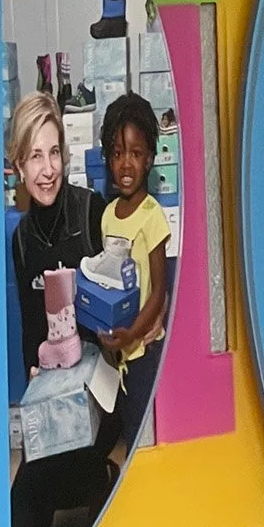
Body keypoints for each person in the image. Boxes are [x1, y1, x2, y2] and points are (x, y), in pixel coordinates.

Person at [8, 91, 119, 527]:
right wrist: (38, 373)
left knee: (52, 472)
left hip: (100, 393)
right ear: (17, 165)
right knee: (23, 499)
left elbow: (118, 314)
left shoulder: (91, 211)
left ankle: (96, 482)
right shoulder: (20, 240)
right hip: (55, 398)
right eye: (35, 156)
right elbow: (36, 339)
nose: (47, 169)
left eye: (54, 153)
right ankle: (93, 487)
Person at [94, 93, 171, 450]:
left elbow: (158, 292)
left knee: (144, 437)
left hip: (142, 350)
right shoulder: (108, 215)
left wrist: (132, 334)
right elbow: (105, 280)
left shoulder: (152, 216)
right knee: (124, 433)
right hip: (116, 352)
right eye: (117, 153)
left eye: (136, 154)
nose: (126, 165)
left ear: (151, 159)